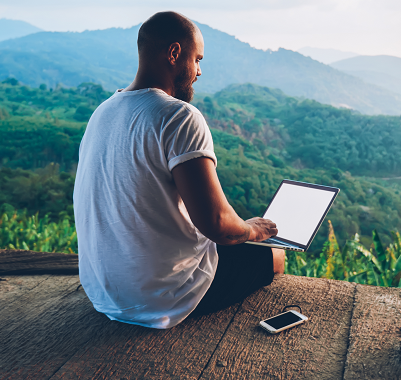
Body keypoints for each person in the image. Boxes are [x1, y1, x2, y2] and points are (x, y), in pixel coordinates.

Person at [73, 11, 284, 329]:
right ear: (174, 53)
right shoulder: (179, 116)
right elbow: (216, 224)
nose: (199, 71)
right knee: (275, 257)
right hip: (160, 298)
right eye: (197, 59)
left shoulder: (103, 111)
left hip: (103, 293)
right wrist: (254, 230)